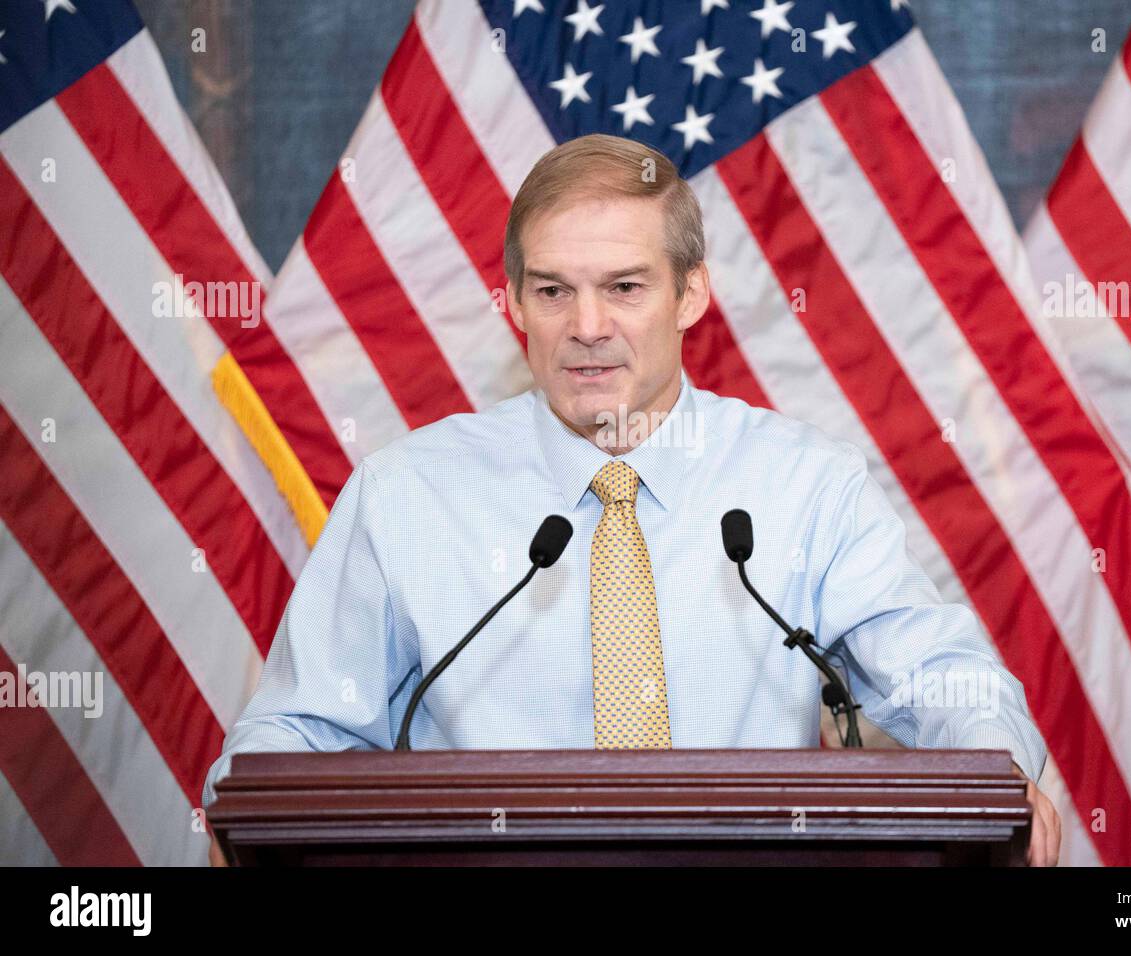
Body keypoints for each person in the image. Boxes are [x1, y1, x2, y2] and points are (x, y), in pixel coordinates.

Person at [204, 133, 1060, 866]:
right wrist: (249, 810)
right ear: (514, 305)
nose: (586, 326)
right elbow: (294, 733)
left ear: (691, 294)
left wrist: (994, 774)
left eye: (623, 286)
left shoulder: (805, 485)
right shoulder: (405, 496)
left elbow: (947, 682)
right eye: (552, 291)